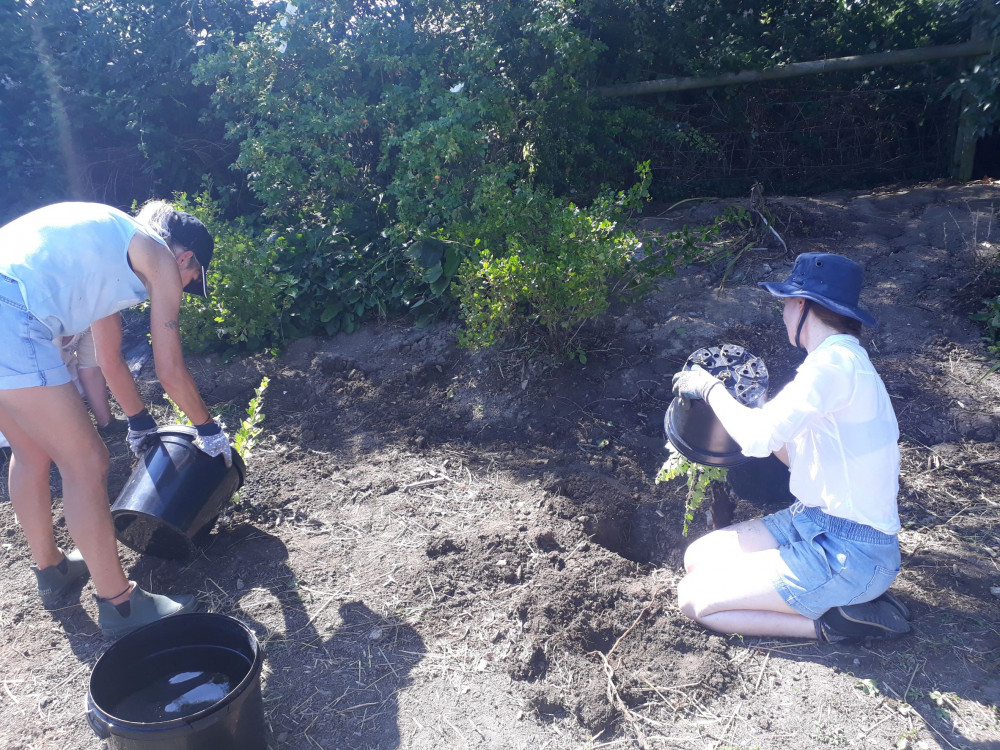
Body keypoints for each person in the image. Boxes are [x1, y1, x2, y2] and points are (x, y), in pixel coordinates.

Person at [0, 200, 232, 639]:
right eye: (190, 281)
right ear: (186, 259)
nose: (182, 288)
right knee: (86, 462)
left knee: (29, 452)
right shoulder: (158, 257)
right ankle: (121, 606)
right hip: (11, 314)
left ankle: (52, 571)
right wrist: (209, 430)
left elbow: (109, 359)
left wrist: (140, 421)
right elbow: (170, 371)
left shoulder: (109, 244)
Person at [671, 252, 910, 643]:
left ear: (802, 305)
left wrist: (711, 389)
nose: (783, 314)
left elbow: (756, 439)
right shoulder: (838, 364)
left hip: (852, 553)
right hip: (814, 521)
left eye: (785, 304)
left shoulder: (833, 366)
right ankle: (828, 600)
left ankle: (836, 625)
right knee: (697, 558)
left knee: (693, 596)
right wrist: (749, 404)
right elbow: (784, 450)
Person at [60, 324, 128, 435]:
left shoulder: (90, 313)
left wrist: (106, 423)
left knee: (77, 387)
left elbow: (90, 368)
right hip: (32, 385)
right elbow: (48, 382)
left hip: (63, 369)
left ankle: (105, 423)